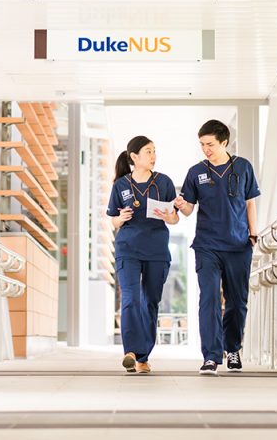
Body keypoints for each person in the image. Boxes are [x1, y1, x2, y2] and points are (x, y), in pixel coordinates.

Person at [173, 119, 260, 375]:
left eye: (210, 144)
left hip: (238, 244)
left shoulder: (243, 167)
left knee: (236, 301)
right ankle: (211, 356)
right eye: (202, 144)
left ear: (224, 142)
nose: (205, 149)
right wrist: (181, 204)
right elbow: (189, 209)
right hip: (207, 245)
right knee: (209, 298)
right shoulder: (196, 172)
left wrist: (253, 235)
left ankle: (232, 349)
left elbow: (249, 203)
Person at [106, 135, 179, 374]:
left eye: (155, 151)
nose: (153, 156)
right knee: (130, 298)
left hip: (156, 250)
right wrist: (120, 219)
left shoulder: (164, 182)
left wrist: (171, 217)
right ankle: (131, 352)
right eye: (148, 151)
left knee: (150, 302)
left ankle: (143, 357)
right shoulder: (121, 185)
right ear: (134, 157)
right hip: (128, 249)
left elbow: (175, 217)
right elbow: (113, 221)